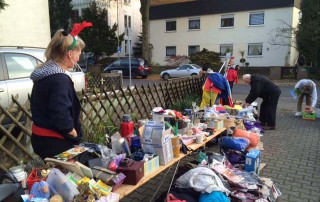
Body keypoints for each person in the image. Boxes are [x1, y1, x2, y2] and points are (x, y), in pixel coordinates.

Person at [30, 22, 92, 159]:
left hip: (40, 137)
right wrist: (72, 132)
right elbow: (59, 112)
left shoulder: (45, 74)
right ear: (70, 54)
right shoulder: (59, 79)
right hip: (55, 141)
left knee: (52, 176)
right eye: (78, 54)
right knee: (66, 178)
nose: (79, 58)